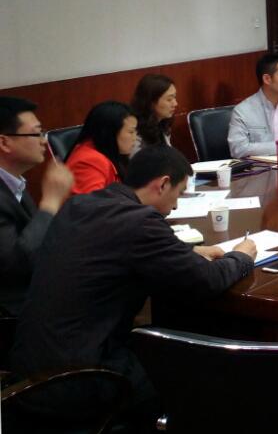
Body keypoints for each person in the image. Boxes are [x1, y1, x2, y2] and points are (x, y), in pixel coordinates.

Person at [10, 145, 257, 425]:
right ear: (163, 184)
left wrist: (187, 251)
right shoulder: (139, 221)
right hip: (78, 378)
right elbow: (208, 280)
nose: (176, 206)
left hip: (30, 368)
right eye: (178, 194)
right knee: (199, 370)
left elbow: (114, 249)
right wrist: (242, 256)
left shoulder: (82, 204)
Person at [0, 97, 73, 314]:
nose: (44, 141)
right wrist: (50, 201)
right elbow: (16, 266)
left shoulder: (14, 181)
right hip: (15, 313)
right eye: (36, 133)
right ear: (4, 143)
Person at [66, 101, 137, 195]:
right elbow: (92, 203)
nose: (135, 138)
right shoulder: (90, 161)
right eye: (131, 132)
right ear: (110, 132)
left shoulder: (110, 152)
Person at [129, 73, 177, 155]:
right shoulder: (134, 132)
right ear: (150, 102)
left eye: (175, 97)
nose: (175, 104)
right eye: (169, 99)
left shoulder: (163, 123)